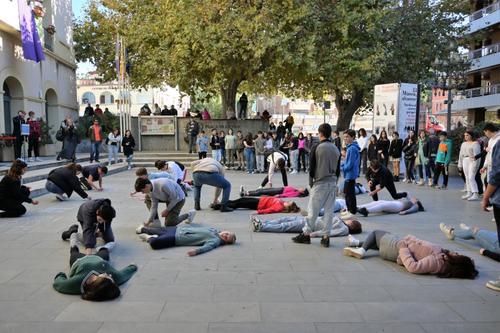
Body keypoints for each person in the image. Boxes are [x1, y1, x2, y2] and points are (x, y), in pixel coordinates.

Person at [343, 230, 478, 279]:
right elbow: (424, 244)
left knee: (376, 233)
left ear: (457, 262)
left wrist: (403, 248)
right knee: (380, 241)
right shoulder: (444, 258)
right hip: (402, 245)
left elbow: (414, 267)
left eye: (458, 255)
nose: (456, 253)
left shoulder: (437, 262)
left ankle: (361, 250)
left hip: (398, 249)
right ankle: (357, 243)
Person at [292, 123, 340, 248]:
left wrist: (311, 184)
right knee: (329, 211)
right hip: (332, 182)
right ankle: (326, 237)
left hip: (320, 182)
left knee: (313, 210)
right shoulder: (336, 148)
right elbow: (339, 169)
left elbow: (311, 168)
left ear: (321, 133)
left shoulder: (317, 147)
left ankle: (306, 234)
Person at [53, 238, 137, 300]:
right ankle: (103, 245)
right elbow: (123, 274)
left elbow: (60, 284)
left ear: (95, 282)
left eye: (106, 276)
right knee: (105, 251)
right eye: (110, 277)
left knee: (74, 251)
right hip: (99, 259)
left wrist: (61, 275)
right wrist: (132, 267)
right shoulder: (114, 279)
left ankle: (72, 236)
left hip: (79, 261)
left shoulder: (76, 283)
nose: (109, 274)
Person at [137, 224, 236, 254]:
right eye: (227, 233)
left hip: (177, 238)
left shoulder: (216, 241)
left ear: (226, 242)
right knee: (157, 229)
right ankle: (143, 229)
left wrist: (196, 251)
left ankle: (148, 237)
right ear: (225, 230)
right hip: (179, 229)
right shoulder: (214, 229)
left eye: (227, 238)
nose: (225, 236)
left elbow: (207, 247)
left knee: (154, 244)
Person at [252, 215, 362, 237]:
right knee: (284, 219)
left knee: (285, 226)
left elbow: (329, 232)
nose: (349, 220)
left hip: (310, 225)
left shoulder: (344, 229)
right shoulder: (342, 222)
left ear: (352, 224)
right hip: (309, 219)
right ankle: (264, 223)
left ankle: (261, 227)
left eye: (351, 220)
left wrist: (314, 234)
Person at [341, 129, 360, 215]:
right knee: (348, 193)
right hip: (350, 174)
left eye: (347, 137)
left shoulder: (352, 149)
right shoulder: (351, 147)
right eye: (344, 137)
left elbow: (350, 164)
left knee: (349, 194)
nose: (345, 139)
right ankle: (351, 210)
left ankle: (351, 211)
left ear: (352, 137)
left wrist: (342, 168)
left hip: (350, 174)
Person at [458, 131, 481, 201]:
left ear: (471, 136)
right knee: (467, 177)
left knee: (471, 177)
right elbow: (461, 154)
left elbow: (477, 156)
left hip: (472, 160)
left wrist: (476, 164)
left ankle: (475, 193)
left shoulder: (476, 144)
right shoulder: (463, 144)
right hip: (465, 160)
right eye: (465, 135)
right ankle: (469, 192)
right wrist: (460, 164)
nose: (465, 137)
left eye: (467, 135)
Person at [212, 196, 300, 214]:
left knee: (238, 203)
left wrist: (258, 212)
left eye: (289, 202)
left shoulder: (279, 207)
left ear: (288, 206)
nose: (288, 201)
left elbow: (269, 210)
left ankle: (219, 206)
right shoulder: (282, 202)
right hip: (259, 200)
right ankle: (221, 204)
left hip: (258, 204)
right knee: (239, 200)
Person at [357, 197, 424, 217]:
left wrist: (405, 212)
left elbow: (413, 209)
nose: (414, 198)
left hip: (398, 207)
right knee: (377, 202)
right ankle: (359, 207)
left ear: (417, 201)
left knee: (382, 206)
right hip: (396, 203)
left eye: (416, 198)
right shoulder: (411, 201)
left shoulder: (415, 205)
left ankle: (367, 211)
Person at [240, 185, 308, 198]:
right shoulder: (296, 190)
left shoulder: (296, 193)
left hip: (279, 191)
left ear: (302, 192)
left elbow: (287, 195)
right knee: (261, 190)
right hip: (279, 189)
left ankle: (246, 194)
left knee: (262, 192)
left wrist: (279, 196)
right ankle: (246, 192)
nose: (302, 188)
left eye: (303, 189)